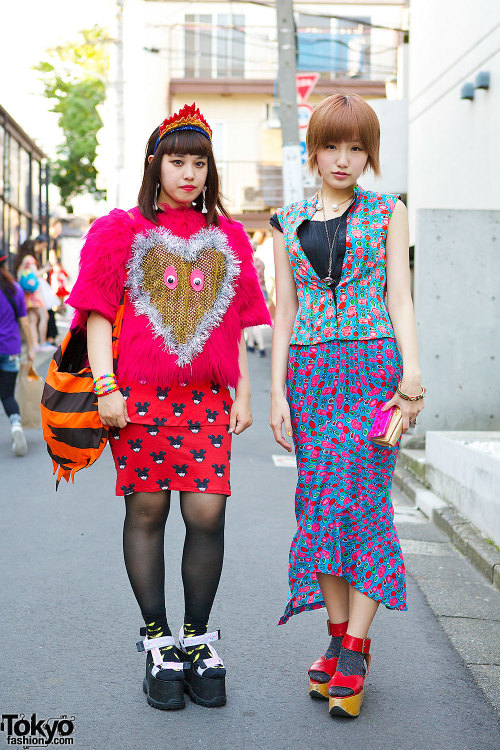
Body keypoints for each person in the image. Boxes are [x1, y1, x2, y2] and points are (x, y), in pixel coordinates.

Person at [66, 103, 270, 711]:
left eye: (199, 162)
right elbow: (98, 314)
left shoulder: (229, 237)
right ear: (156, 164)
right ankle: (156, 640)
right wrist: (106, 388)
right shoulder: (118, 230)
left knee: (207, 513)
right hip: (138, 401)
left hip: (208, 400)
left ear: (210, 170)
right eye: (177, 160)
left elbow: (236, 322)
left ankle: (198, 637)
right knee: (148, 511)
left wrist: (247, 393)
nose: (188, 172)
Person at [269, 93, 425, 719]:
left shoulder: (390, 212)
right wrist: (278, 392)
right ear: (314, 149)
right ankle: (337, 635)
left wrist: (412, 375)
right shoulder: (285, 220)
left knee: (365, 504)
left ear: (370, 154)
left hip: (373, 373)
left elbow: (401, 299)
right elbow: (283, 311)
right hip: (310, 375)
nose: (343, 158)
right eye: (332, 145)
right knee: (320, 509)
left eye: (356, 147)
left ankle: (357, 646)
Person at [0, 253, 36, 456]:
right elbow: (24, 322)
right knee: (6, 394)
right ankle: (15, 426)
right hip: (10, 349)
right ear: (6, 263)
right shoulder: (15, 289)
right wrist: (31, 347)